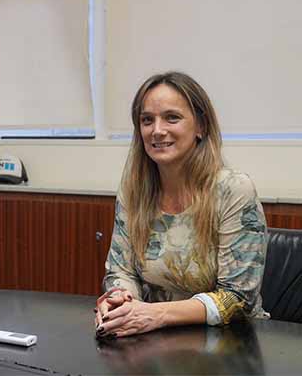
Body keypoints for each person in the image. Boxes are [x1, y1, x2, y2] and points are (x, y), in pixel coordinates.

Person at [96, 71, 268, 338]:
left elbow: (237, 298)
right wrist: (120, 301)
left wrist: (156, 313)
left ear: (201, 126)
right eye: (146, 120)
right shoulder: (133, 193)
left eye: (172, 117)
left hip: (231, 343)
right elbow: (120, 270)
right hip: (152, 339)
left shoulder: (233, 190)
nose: (157, 130)